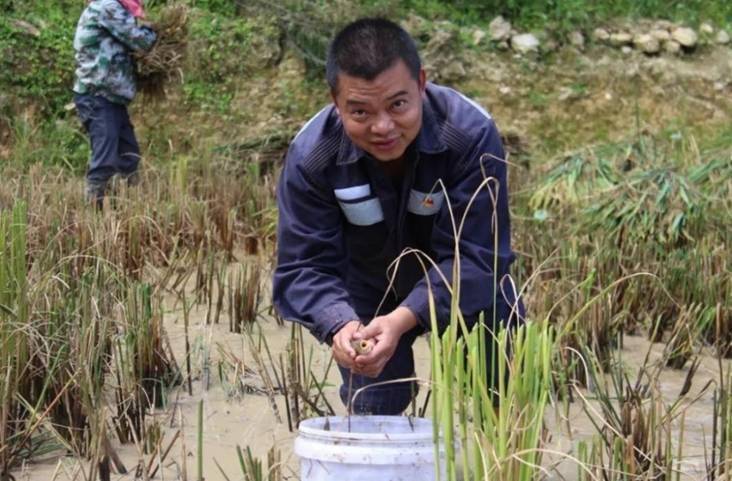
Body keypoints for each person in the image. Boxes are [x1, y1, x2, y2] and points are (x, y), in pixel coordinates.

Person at [273, 18, 524, 415]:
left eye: (398, 104)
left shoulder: (470, 133)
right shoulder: (311, 157)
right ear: (335, 102)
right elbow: (303, 267)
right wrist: (340, 325)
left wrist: (408, 315)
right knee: (374, 412)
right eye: (360, 111)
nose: (383, 127)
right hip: (367, 295)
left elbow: (479, 256)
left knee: (502, 401)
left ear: (421, 83)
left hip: (467, 285)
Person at [72, 0, 156, 205]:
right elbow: (141, 41)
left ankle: (129, 209)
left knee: (129, 155)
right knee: (105, 158)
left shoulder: (111, 6)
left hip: (110, 97)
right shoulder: (107, 6)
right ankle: (93, 215)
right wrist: (156, 30)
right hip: (97, 96)